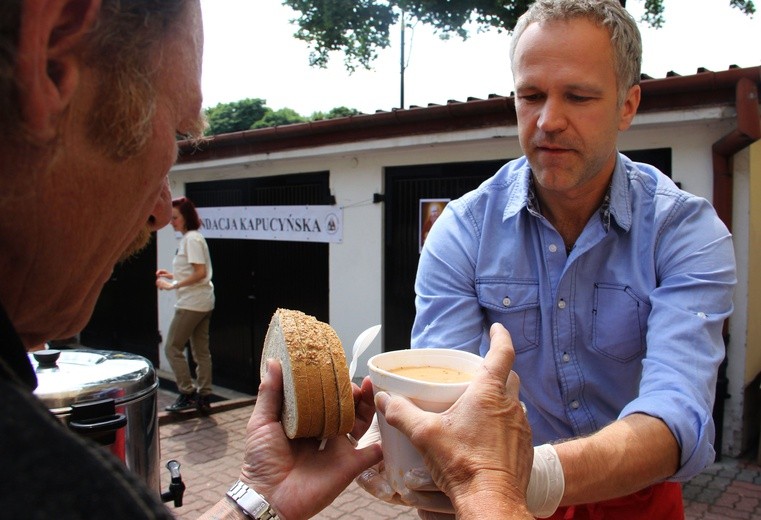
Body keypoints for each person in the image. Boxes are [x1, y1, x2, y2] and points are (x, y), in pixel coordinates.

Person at [0, 1, 535, 518]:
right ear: (51, 45)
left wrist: (261, 497)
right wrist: (485, 485)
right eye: (179, 133)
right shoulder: (42, 476)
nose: (162, 210)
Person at [359, 0, 737, 518]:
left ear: (628, 106)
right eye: (530, 95)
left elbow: (678, 415)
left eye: (578, 97)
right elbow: (442, 405)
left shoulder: (684, 232)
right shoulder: (460, 232)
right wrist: (430, 472)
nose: (548, 121)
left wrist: (517, 480)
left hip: (633, 493)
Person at [157, 196, 216, 413]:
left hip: (191, 303)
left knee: (172, 347)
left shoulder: (191, 239)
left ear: (186, 217)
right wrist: (172, 275)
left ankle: (187, 392)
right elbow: (194, 272)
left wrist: (172, 285)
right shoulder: (193, 238)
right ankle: (204, 396)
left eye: (175, 218)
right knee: (201, 351)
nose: (171, 222)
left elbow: (199, 273)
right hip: (203, 301)